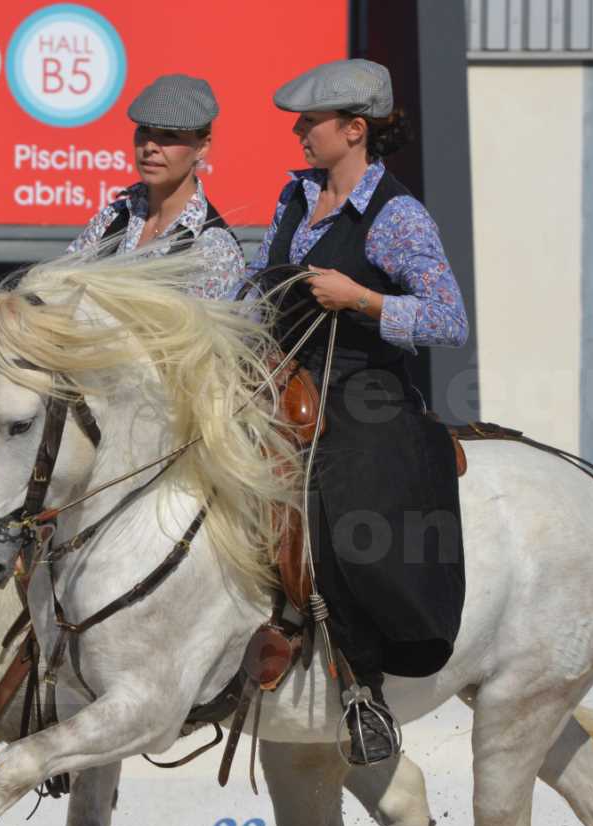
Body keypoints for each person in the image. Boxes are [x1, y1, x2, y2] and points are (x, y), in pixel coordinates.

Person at [246, 58, 470, 764]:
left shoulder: (396, 216)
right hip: (276, 381)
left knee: (343, 498)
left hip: (360, 391)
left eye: (310, 122)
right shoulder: (294, 196)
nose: (298, 131)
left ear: (353, 129)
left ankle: (361, 688)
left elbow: (447, 319)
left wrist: (363, 299)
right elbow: (257, 291)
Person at [67, 73, 244, 300]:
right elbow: (61, 289)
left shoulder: (213, 248)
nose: (149, 146)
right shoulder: (114, 216)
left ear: (202, 146)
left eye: (169, 135)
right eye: (144, 130)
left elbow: (201, 334)